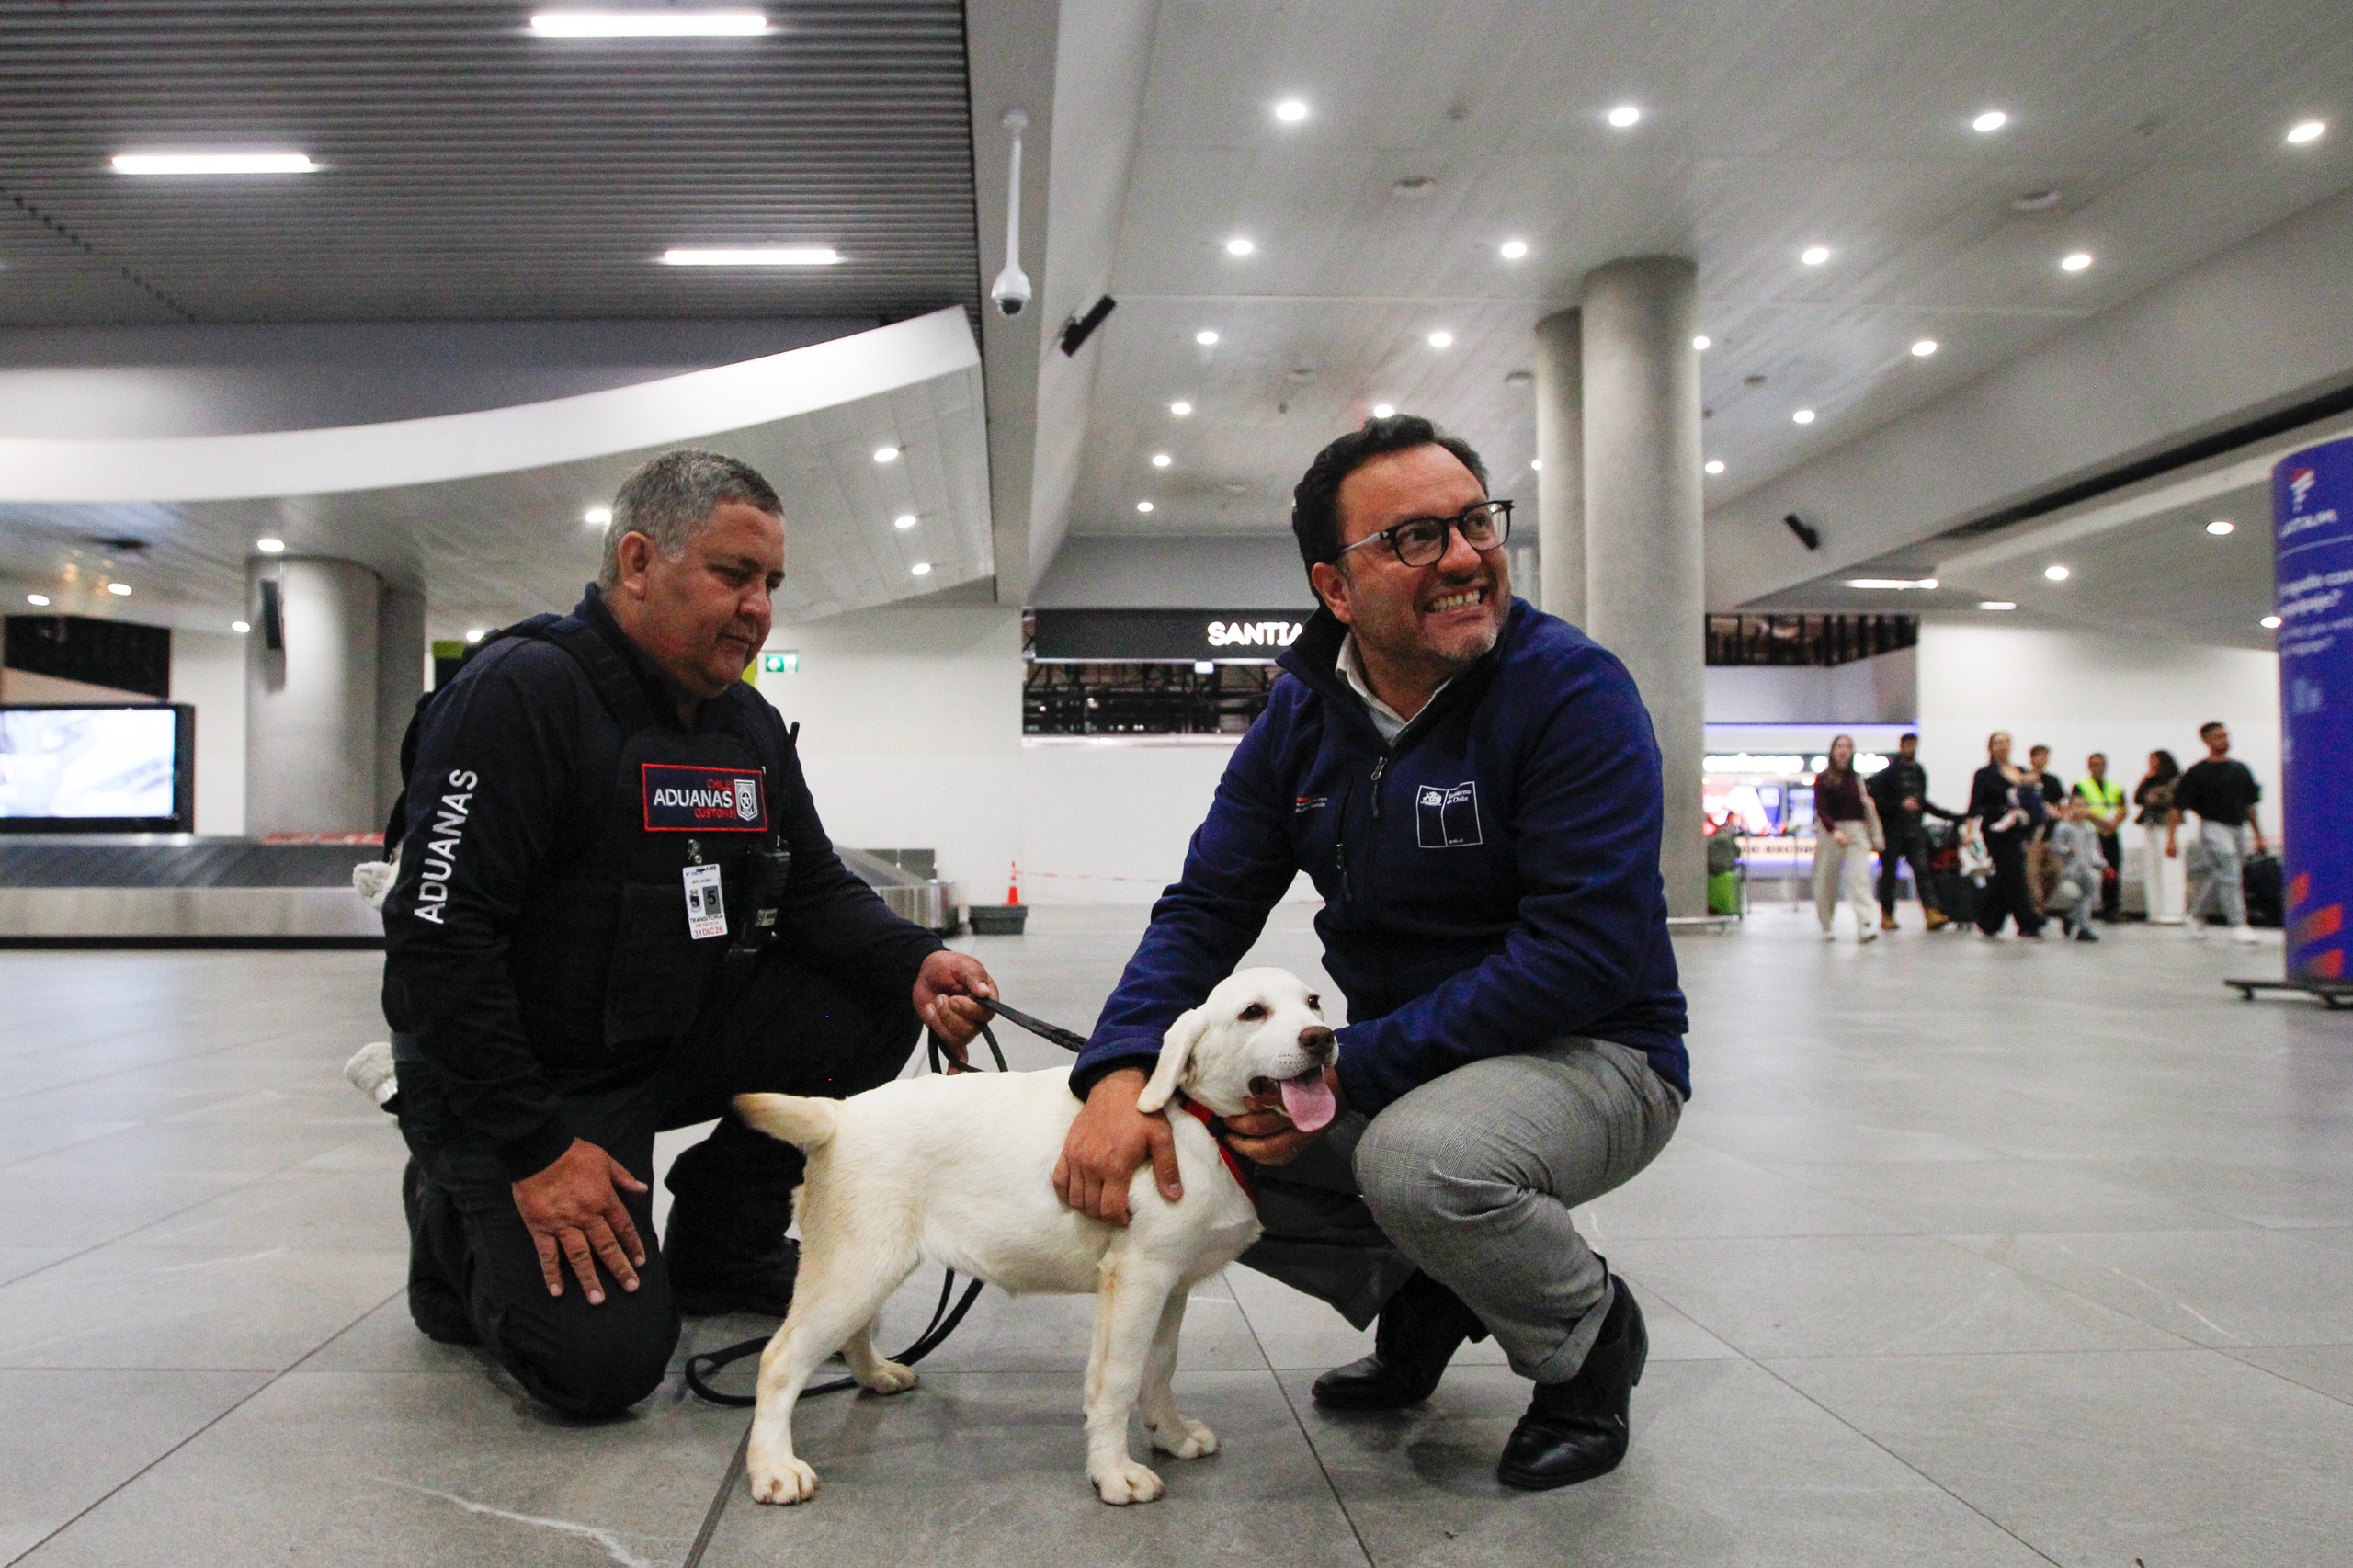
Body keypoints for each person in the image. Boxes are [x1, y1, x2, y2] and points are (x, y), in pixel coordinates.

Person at [1053, 415, 1688, 1492]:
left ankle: (1587, 1341)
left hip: (1594, 1051)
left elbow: (1580, 953)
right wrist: (1118, 1071)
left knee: (1417, 1157)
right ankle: (1432, 1289)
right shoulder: (1303, 713)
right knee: (1199, 1136)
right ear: (1336, 588)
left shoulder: (1571, 692)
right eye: (1412, 538)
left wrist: (1345, 1071)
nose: (1460, 557)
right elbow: (1207, 903)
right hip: (1404, 1059)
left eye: (1474, 522)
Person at [377, 449, 1000, 1418]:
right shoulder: (520, 693)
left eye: (772, 583)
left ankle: (722, 1245)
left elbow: (816, 888)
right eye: (733, 574)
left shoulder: (741, 721)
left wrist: (917, 960)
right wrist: (535, 1150)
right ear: (636, 560)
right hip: (529, 1076)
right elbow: (437, 943)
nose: (758, 606)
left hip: (666, 1030)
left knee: (872, 997)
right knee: (600, 1369)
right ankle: (455, 1214)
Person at [2167, 721, 2267, 944]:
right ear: (2206, 741)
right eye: (2218, 737)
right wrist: (2171, 839)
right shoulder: (2197, 772)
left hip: (2238, 827)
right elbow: (2177, 808)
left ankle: (2195, 914)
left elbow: (2251, 805)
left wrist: (2257, 834)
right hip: (2213, 826)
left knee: (2224, 875)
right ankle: (2239, 924)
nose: (2224, 740)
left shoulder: (2241, 770)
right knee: (2230, 871)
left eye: (2226, 736)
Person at [1865, 732, 1956, 931]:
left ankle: (1931, 911)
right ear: (1901, 746)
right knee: (1889, 874)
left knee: (1924, 871)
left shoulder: (1919, 772)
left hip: (1915, 830)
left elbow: (1922, 802)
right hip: (1892, 832)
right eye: (1907, 745)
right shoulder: (1888, 774)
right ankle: (1887, 913)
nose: (1911, 748)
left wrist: (1951, 816)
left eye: (1914, 745)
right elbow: (1877, 799)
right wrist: (1900, 805)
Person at [1967, 732, 2045, 939]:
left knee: (2006, 874)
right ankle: (2028, 920)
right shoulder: (1984, 774)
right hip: (1996, 829)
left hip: (2018, 828)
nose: (2002, 746)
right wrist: (1969, 832)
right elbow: (1975, 805)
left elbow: (2033, 800)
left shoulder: (2022, 772)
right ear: (1990, 747)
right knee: (2013, 871)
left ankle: (1989, 921)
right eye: (1997, 743)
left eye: (2005, 742)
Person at [1811, 734, 1880, 942]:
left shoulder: (1857, 779)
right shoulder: (1823, 780)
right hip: (1831, 831)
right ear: (1832, 751)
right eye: (1840, 746)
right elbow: (1821, 809)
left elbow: (1862, 807)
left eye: (1848, 747)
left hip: (1856, 830)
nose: (1843, 751)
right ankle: (1826, 924)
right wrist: (1833, 830)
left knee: (1859, 878)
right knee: (1826, 880)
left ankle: (1865, 923)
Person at [2071, 753, 2128, 922]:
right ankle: (2081, 910)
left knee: (2112, 870)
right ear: (2089, 766)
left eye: (2101, 764)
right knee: (2085, 872)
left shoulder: (2115, 787)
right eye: (2094, 764)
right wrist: (2103, 823)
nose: (2098, 767)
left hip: (2110, 833)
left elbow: (2123, 809)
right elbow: (2080, 808)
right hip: (2089, 833)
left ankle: (2111, 909)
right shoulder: (2080, 786)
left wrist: (2113, 825)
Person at [2046, 796, 2109, 942]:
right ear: (2070, 808)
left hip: (2088, 866)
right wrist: (2067, 850)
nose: (2081, 810)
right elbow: (2055, 847)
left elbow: (2094, 848)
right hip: (2072, 869)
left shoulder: (2089, 828)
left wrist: (2101, 862)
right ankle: (2084, 928)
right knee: (2082, 897)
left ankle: (2072, 918)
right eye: (2077, 806)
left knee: (2089, 898)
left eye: (2084, 806)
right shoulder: (2063, 827)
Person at [2134, 750, 2184, 923]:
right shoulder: (2150, 779)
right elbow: (2138, 798)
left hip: (2169, 826)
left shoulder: (2177, 779)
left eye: (2154, 760)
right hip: (2151, 824)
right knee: (2152, 867)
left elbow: (2172, 801)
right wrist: (2147, 781)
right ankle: (2155, 911)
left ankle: (2173, 912)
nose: (2151, 763)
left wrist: (2156, 796)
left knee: (2170, 868)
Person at [2023, 744, 2066, 911]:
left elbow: (2061, 805)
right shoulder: (2024, 779)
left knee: (2054, 872)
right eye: (2039, 756)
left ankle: (2043, 904)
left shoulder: (2052, 781)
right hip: (2032, 837)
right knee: (2032, 875)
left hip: (2051, 835)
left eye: (2046, 757)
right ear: (2032, 758)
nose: (2043, 760)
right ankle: (2035, 908)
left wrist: (2059, 814)